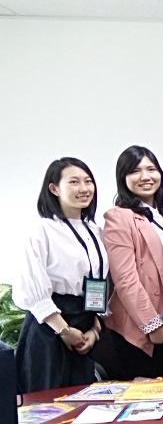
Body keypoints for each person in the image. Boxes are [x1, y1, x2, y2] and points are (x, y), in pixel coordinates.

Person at [14, 158, 107, 392]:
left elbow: (99, 283)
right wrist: (64, 331)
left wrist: (94, 331)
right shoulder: (41, 230)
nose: (84, 188)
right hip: (50, 328)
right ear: (54, 188)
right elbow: (32, 289)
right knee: (48, 408)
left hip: (84, 329)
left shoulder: (94, 230)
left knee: (84, 405)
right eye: (74, 182)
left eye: (88, 181)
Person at [100, 146, 163, 380]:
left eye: (151, 169)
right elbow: (125, 279)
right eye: (136, 171)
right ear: (123, 178)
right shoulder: (119, 217)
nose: (146, 177)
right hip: (143, 324)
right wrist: (152, 325)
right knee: (146, 398)